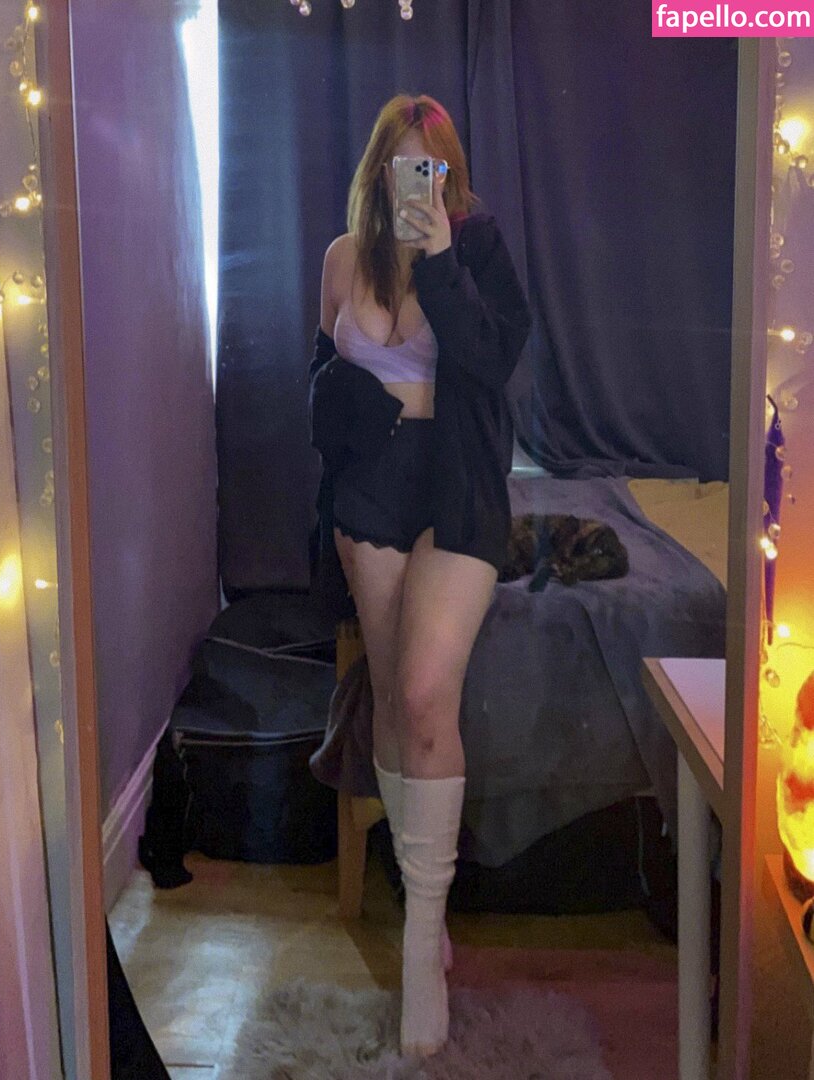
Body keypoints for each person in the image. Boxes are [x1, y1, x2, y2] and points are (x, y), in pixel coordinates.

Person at [309, 93, 532, 1058]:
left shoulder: (476, 249)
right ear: (376, 171)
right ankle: (420, 911)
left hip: (458, 482)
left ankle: (419, 939)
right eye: (402, 165)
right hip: (371, 485)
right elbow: (319, 368)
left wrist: (439, 258)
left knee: (422, 689)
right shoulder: (340, 259)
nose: (418, 182)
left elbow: (492, 360)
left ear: (451, 175)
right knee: (394, 699)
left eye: (432, 167)